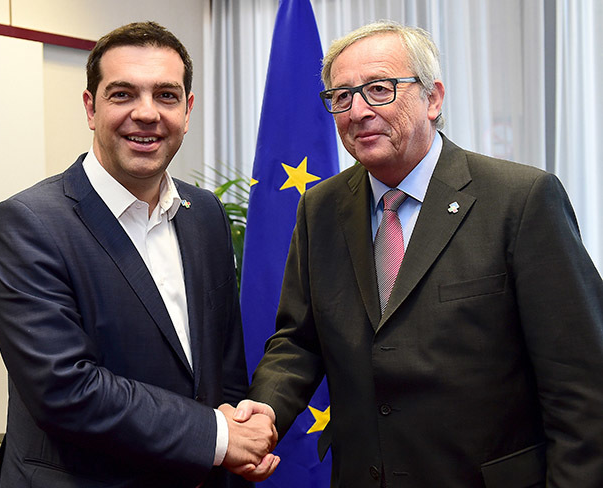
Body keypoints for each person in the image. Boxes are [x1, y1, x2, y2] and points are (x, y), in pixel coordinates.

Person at [235, 20, 603, 487]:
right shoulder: (320, 209)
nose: (358, 111)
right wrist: (265, 410)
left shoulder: (521, 199)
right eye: (341, 97)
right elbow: (299, 340)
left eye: (379, 89)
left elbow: (583, 385)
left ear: (432, 98)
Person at [0, 21, 278, 487]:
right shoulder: (29, 223)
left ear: (187, 109)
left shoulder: (204, 213)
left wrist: (238, 430)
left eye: (166, 95)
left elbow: (223, 361)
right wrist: (220, 436)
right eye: (123, 94)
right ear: (90, 107)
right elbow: (65, 389)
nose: (147, 114)